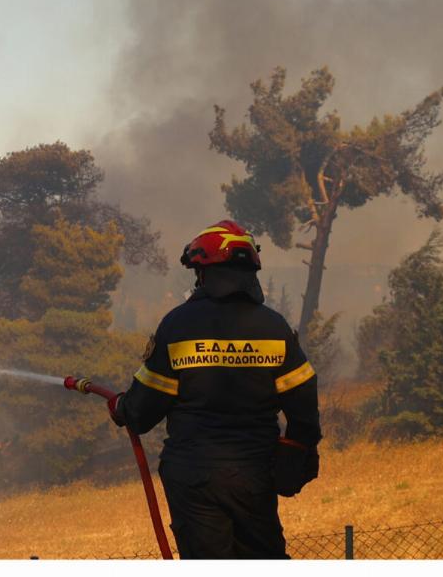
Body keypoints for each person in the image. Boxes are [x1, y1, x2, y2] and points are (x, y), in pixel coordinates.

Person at [110, 220, 321, 559]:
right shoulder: (274, 327)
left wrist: (122, 408)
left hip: (194, 478)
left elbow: (141, 412)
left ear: (204, 273)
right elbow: (304, 407)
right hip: (254, 475)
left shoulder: (178, 325)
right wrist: (296, 452)